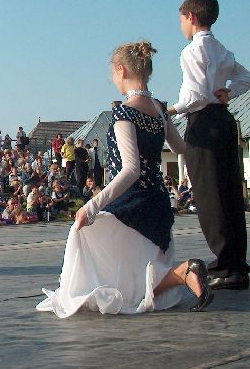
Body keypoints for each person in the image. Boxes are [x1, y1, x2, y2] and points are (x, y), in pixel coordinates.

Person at [37, 41, 213, 317]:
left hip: (133, 207)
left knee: (82, 234)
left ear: (121, 70)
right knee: (137, 287)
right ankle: (184, 273)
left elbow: (131, 170)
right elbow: (181, 148)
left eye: (113, 74)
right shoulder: (159, 109)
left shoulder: (124, 113)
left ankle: (185, 271)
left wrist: (91, 206)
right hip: (158, 204)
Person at [167, 0, 250, 291]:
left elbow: (196, 96)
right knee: (229, 192)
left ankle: (226, 266)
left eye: (181, 19)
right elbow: (245, 78)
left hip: (203, 123)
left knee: (209, 196)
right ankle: (236, 263)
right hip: (224, 121)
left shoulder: (191, 51)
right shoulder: (221, 49)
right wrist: (229, 92)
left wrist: (170, 110)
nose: (181, 25)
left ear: (190, 17)